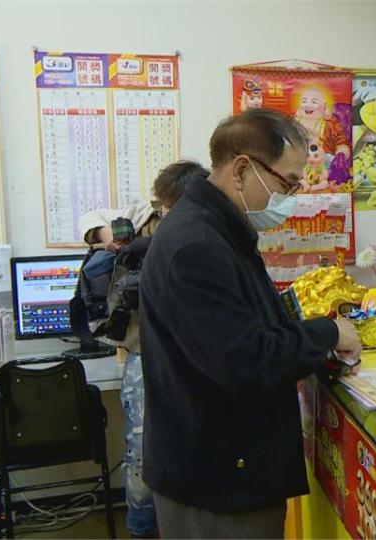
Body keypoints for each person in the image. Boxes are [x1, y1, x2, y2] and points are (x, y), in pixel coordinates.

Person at [139, 109, 361, 539]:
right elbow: (245, 358)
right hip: (217, 482)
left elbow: (250, 322)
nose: (293, 197)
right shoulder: (196, 246)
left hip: (224, 470)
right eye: (288, 183)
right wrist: (328, 334)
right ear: (242, 169)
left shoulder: (219, 230)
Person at [78, 160, 207, 539]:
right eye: (165, 206)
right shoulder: (144, 219)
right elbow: (89, 217)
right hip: (145, 352)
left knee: (193, 447)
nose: (170, 213)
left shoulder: (208, 224)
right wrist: (108, 235)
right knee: (141, 452)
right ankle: (142, 531)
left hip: (196, 355)